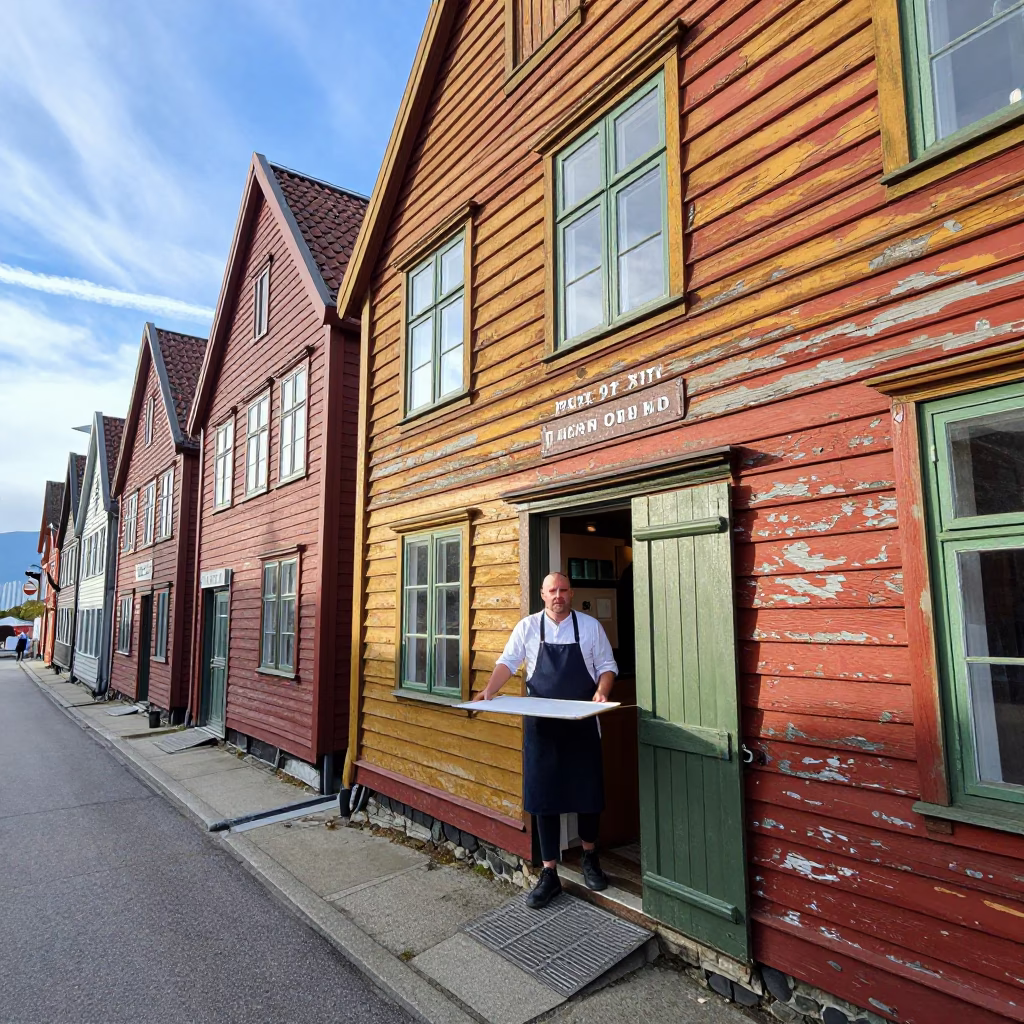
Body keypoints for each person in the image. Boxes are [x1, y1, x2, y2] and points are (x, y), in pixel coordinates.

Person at [473, 571, 617, 909]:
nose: (558, 596)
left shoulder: (590, 627)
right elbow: (507, 663)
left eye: (564, 590)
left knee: (588, 794)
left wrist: (602, 690)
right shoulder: (527, 628)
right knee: (544, 797)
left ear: (571, 592)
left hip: (582, 724)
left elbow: (608, 666)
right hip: (541, 727)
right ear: (542, 594)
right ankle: (550, 873)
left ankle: (589, 858)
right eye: (552, 590)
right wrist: (489, 691)